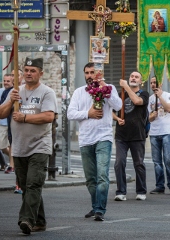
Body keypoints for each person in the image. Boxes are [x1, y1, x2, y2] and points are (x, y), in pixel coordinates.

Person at [0, 57, 56, 234]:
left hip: (40, 146)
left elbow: (48, 117)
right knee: (26, 185)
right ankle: (39, 221)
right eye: (27, 70)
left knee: (33, 184)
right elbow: (0, 114)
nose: (29, 73)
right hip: (19, 147)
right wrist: (10, 101)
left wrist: (25, 117)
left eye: (33, 70)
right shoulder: (16, 91)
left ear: (41, 73)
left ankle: (26, 220)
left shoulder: (47, 92)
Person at [67, 63, 122, 221]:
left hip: (103, 137)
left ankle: (100, 210)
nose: (90, 75)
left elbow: (118, 105)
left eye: (92, 72)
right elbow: (70, 113)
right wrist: (88, 113)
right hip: (85, 140)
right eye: (87, 73)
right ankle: (95, 205)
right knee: (90, 178)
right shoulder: (79, 92)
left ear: (98, 74)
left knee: (102, 176)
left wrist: (104, 87)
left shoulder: (108, 88)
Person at [112, 71, 149, 201]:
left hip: (137, 135)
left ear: (141, 81)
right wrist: (117, 119)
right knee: (119, 163)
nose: (133, 78)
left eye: (136, 77)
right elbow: (111, 111)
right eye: (132, 76)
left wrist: (126, 86)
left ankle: (141, 191)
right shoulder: (120, 94)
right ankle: (121, 191)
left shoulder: (144, 94)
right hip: (121, 135)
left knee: (138, 163)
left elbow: (137, 101)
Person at [148, 76, 170, 195]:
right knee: (157, 161)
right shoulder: (150, 99)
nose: (153, 85)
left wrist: (159, 96)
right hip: (154, 133)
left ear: (160, 83)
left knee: (168, 160)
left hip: (166, 132)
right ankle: (159, 185)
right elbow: (148, 118)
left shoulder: (168, 95)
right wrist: (151, 116)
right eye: (151, 83)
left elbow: (169, 109)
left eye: (155, 82)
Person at [0, 74, 15, 174]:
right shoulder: (1, 91)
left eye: (8, 81)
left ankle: (12, 165)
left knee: (12, 144)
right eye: (4, 81)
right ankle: (15, 158)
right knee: (2, 146)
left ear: (12, 82)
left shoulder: (14, 91)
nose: (6, 83)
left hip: (11, 122)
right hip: (3, 121)